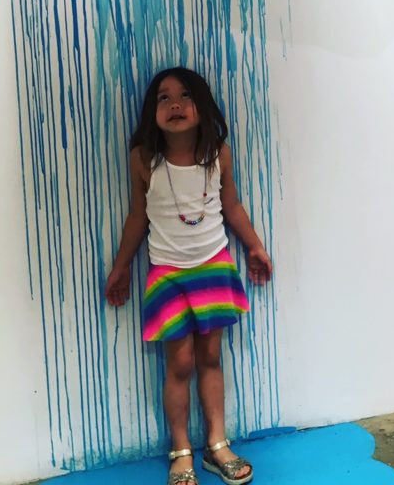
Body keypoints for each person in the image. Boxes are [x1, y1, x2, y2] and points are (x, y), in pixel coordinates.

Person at [105, 67, 273, 485]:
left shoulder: (218, 153)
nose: (175, 104)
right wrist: (122, 265)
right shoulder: (144, 158)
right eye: (163, 98)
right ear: (152, 111)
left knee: (211, 357)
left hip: (213, 268)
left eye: (185, 96)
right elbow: (137, 216)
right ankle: (180, 450)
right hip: (168, 275)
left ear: (203, 106)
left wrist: (254, 245)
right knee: (178, 363)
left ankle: (217, 444)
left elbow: (232, 206)